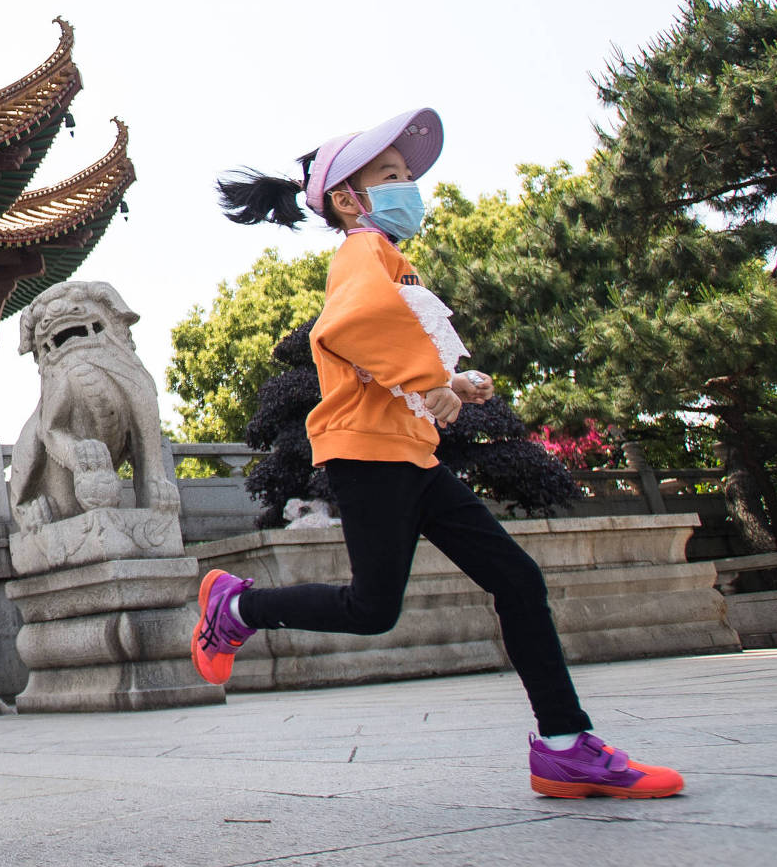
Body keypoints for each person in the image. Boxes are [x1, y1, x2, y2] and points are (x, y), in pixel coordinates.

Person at [197, 108, 685, 801]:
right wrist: (433, 381)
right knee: (373, 608)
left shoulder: (394, 261)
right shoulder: (363, 252)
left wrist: (456, 384)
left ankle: (564, 747)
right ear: (349, 199)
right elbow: (351, 326)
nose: (409, 188)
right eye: (391, 176)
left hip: (411, 456)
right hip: (369, 456)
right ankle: (237, 609)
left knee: (516, 581)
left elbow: (394, 352)